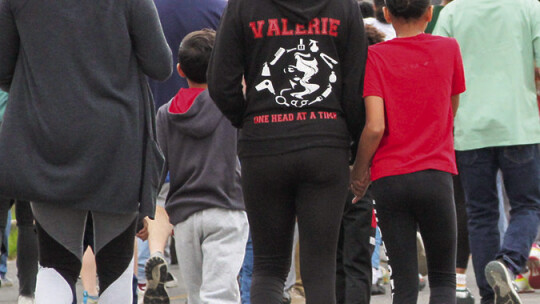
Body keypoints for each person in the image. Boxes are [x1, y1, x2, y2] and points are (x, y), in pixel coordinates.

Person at [0, 0, 172, 303]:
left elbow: (3, 68)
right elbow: (160, 65)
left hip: (48, 138)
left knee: (54, 263)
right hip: (117, 142)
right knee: (116, 266)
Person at [208, 0, 367, 303]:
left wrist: (246, 118)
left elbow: (220, 82)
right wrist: (353, 146)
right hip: (325, 141)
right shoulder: (344, 6)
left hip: (264, 143)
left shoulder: (243, 6)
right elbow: (355, 85)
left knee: (268, 266)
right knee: (319, 268)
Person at [350, 1, 466, 304]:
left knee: (403, 281)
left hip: (390, 178)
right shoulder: (448, 48)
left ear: (386, 14)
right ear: (430, 13)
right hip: (436, 172)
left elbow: (374, 126)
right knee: (442, 278)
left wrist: (360, 170)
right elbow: (452, 105)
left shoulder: (375, 56)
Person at [434, 0, 540, 303]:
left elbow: (442, 71)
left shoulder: (453, 12)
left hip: (469, 128)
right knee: (527, 206)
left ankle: (489, 294)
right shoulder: (529, 8)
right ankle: (508, 263)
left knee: (480, 213)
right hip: (518, 124)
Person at [154, 29, 249, 304]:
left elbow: (158, 168)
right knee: (220, 295)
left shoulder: (166, 112)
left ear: (180, 70)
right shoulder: (232, 104)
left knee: (197, 297)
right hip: (226, 207)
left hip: (184, 215)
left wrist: (147, 210)